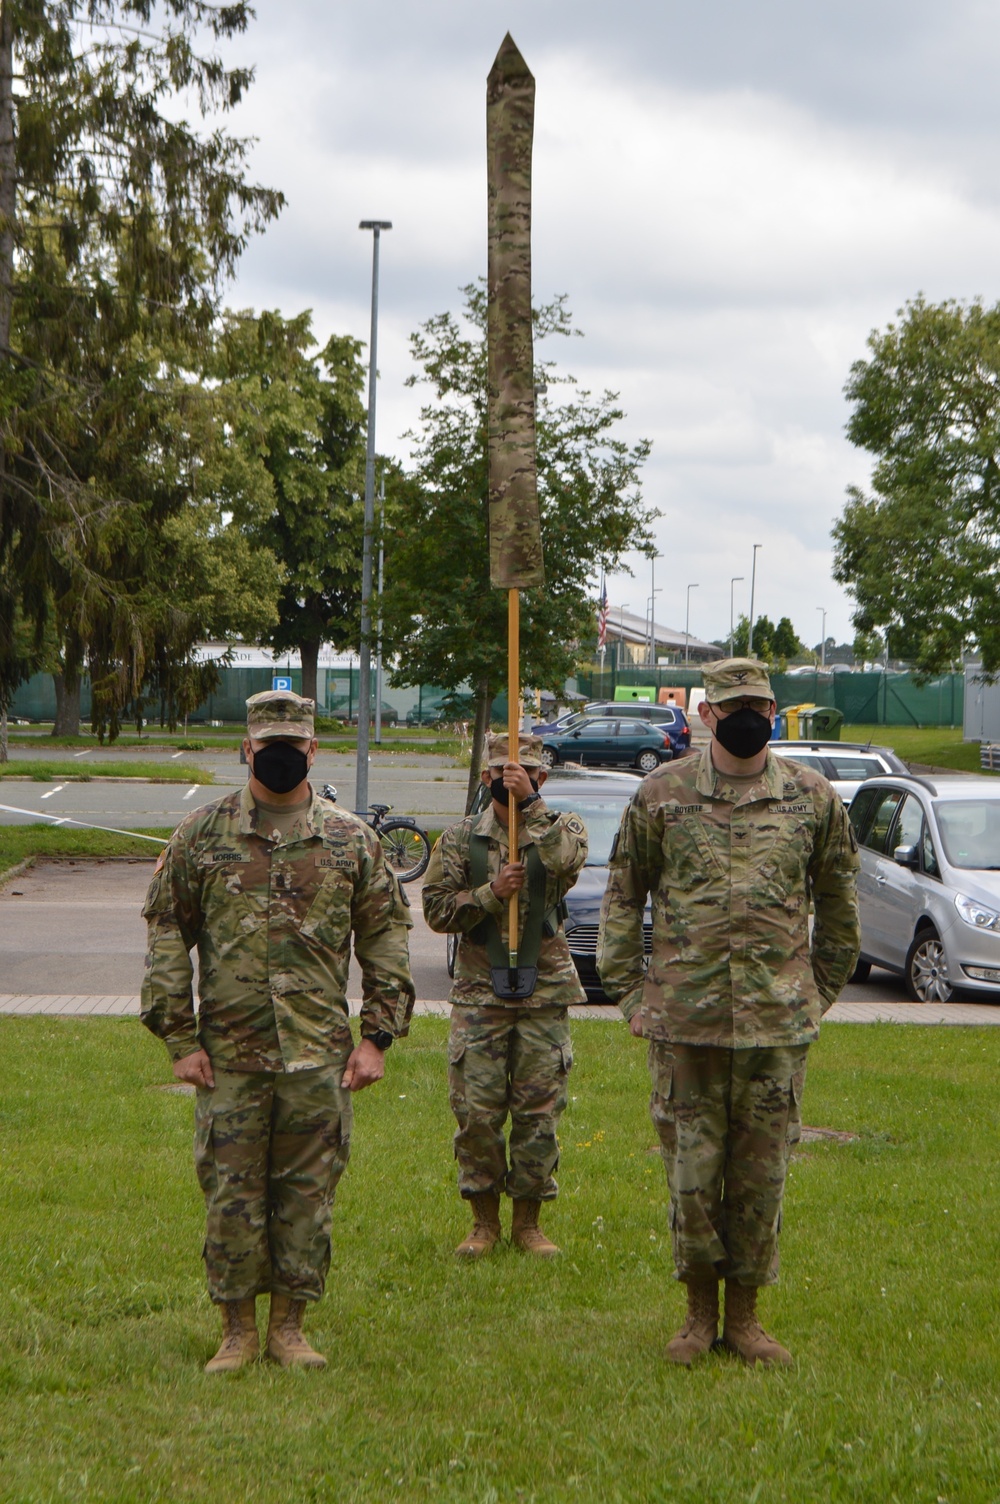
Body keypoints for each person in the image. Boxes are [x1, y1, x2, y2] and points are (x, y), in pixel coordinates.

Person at [141, 690, 415, 1373]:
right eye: (270, 748)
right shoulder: (202, 836)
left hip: (318, 1055)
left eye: (295, 747)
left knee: (307, 1194)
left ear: (313, 750)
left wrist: (378, 1036)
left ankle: (290, 1327)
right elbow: (168, 930)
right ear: (247, 749)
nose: (283, 758)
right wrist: (178, 1037)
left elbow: (385, 935)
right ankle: (235, 1331)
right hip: (229, 1056)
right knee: (231, 1192)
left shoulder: (352, 840)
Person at [597, 658, 860, 1366]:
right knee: (690, 1176)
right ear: (706, 713)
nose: (749, 715)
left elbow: (838, 903)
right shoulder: (662, 794)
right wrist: (629, 993)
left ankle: (744, 1317)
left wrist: (817, 992)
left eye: (760, 704)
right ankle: (693, 1314)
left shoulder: (811, 797)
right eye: (733, 704)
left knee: (759, 1177)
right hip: (686, 1025)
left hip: (777, 1027)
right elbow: (624, 895)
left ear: (773, 710)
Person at [422, 733, 588, 1258]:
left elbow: (567, 863)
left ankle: (529, 1223)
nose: (511, 781)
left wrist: (533, 808)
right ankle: (483, 1221)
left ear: (542, 779)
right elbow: (435, 911)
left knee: (539, 1113)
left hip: (543, 991)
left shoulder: (562, 828)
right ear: (486, 777)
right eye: (500, 773)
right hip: (479, 994)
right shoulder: (458, 839)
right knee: (478, 1114)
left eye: (525, 774)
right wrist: (490, 895)